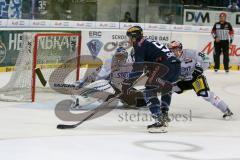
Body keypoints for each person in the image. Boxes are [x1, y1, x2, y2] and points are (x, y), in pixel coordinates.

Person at [123, 26, 181, 133]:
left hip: (165, 67)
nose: (129, 40)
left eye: (130, 37)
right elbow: (156, 57)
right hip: (176, 66)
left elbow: (138, 70)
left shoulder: (139, 45)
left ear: (135, 37)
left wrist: (127, 82)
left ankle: (159, 121)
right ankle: (164, 115)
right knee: (166, 88)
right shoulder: (147, 42)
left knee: (149, 90)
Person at [168, 41, 233, 119]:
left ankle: (226, 110)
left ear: (181, 48)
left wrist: (200, 69)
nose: (174, 52)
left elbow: (206, 59)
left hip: (195, 79)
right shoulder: (167, 58)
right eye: (172, 50)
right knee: (166, 88)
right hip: (181, 81)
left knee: (205, 94)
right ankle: (154, 105)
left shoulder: (191, 53)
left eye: (176, 49)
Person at [72, 47, 146, 110]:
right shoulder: (110, 63)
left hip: (123, 89)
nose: (120, 58)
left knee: (141, 101)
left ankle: (127, 101)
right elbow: (97, 75)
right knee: (101, 84)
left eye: (122, 56)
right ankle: (81, 99)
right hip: (110, 86)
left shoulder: (134, 64)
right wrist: (81, 83)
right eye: (118, 56)